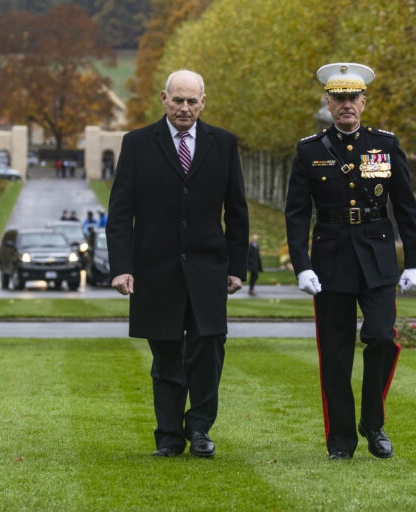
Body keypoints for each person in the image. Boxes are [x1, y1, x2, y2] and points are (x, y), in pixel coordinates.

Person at [285, 63, 416, 460]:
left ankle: (373, 423)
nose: (346, 105)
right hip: (329, 261)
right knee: (336, 353)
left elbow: (405, 206)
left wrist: (413, 261)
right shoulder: (309, 150)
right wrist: (302, 264)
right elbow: (296, 213)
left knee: (381, 337)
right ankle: (342, 440)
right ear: (328, 103)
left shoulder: (385, 144)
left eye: (353, 98)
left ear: (364, 102)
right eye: (338, 98)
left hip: (377, 256)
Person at [107, 69, 248, 459]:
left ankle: (200, 428)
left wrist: (237, 266)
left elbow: (236, 212)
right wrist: (121, 266)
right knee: (167, 357)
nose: (184, 108)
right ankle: (169, 436)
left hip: (209, 269)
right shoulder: (136, 144)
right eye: (178, 100)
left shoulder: (223, 144)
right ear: (163, 98)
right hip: (156, 270)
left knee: (208, 351)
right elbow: (120, 213)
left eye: (192, 101)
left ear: (203, 102)